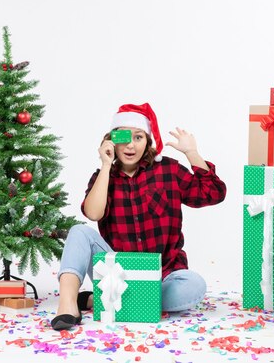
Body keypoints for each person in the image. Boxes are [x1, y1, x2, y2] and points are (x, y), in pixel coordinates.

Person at [51, 102, 227, 331]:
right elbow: (93, 213)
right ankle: (68, 305)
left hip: (162, 275)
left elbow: (213, 193)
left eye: (138, 137)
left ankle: (101, 301)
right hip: (115, 275)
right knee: (78, 232)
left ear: (148, 142)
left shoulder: (169, 171)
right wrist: (106, 166)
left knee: (194, 285)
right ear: (111, 140)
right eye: (123, 136)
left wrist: (191, 153)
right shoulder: (103, 177)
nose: (130, 145)